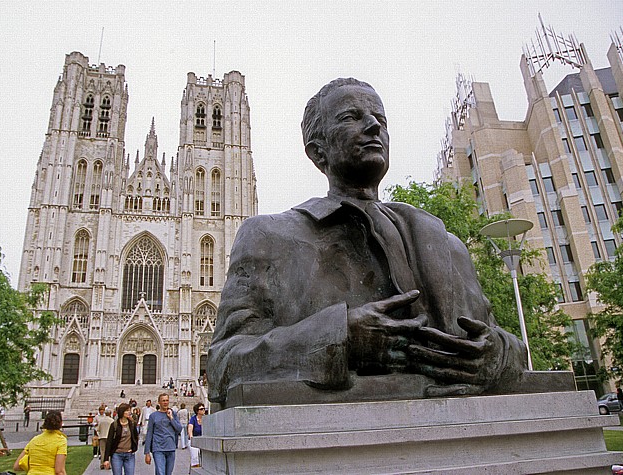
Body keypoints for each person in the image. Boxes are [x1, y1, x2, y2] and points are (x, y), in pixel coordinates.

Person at [208, 78, 527, 409]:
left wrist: (495, 355)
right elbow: (223, 365)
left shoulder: (445, 245)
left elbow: (505, 344)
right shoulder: (268, 236)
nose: (373, 125)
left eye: (381, 120)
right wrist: (339, 337)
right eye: (350, 116)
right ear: (318, 151)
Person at [14, 411, 67, 475]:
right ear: (61, 423)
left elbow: (16, 466)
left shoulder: (34, 440)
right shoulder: (60, 441)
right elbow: (59, 471)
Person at [144, 393, 182, 475]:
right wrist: (147, 452)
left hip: (171, 447)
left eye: (167, 400)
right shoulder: (153, 416)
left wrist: (171, 418)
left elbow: (179, 429)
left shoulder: (173, 414)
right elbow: (149, 433)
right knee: (161, 472)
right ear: (159, 402)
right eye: (163, 401)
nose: (165, 402)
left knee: (168, 473)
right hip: (158, 448)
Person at [102, 403, 139, 475]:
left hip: (129, 454)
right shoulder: (114, 425)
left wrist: (134, 448)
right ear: (122, 412)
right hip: (117, 454)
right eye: (127, 410)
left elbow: (135, 437)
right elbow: (109, 441)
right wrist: (106, 459)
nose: (129, 412)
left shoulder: (132, 424)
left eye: (129, 410)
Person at [187, 403, 205, 468]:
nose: (203, 410)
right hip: (195, 439)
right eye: (201, 409)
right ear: (197, 411)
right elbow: (190, 428)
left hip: (203, 440)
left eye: (204, 409)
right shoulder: (193, 419)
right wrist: (191, 437)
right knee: (195, 456)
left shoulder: (206, 418)